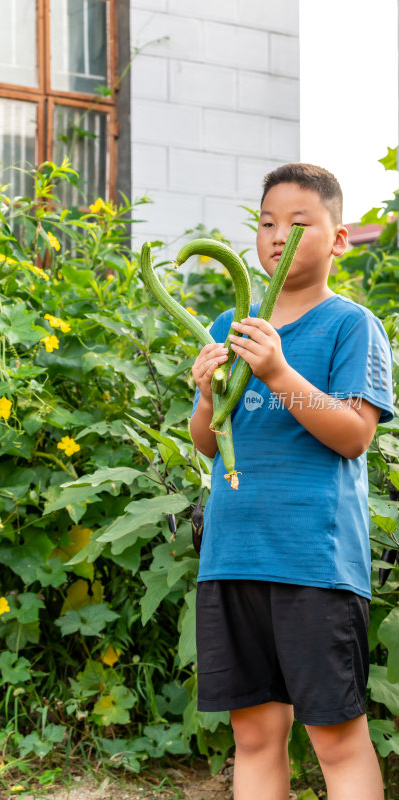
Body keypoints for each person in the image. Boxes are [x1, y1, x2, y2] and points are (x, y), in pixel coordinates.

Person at [189, 163, 394, 800]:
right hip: (232, 556)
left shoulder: (351, 326)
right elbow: (209, 440)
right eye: (268, 222)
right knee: (252, 734)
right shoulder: (230, 327)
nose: (279, 235)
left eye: (300, 223)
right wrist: (204, 397)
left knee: (336, 736)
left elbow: (355, 435)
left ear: (338, 240)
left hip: (314, 562)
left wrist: (278, 372)